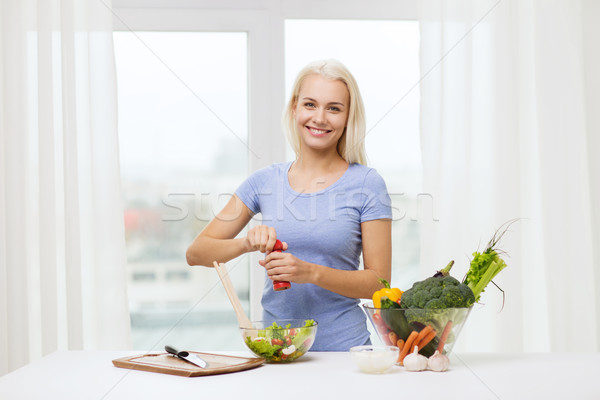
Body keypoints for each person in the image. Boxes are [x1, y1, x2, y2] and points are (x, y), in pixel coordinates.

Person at [186, 59, 392, 351]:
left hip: (344, 352)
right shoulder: (264, 182)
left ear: (348, 118)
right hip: (277, 350)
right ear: (295, 108)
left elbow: (380, 284)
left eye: (334, 108)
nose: (320, 118)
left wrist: (310, 272)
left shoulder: (368, 184)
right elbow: (197, 253)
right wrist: (246, 243)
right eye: (310, 104)